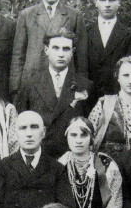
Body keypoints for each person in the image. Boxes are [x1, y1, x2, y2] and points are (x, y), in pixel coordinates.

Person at [10, 0, 88, 97]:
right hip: (32, 82)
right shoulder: (27, 15)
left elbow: (81, 58)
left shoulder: (74, 15)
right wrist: (15, 89)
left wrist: (81, 88)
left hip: (64, 83)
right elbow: (18, 55)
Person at [16, 28, 93, 158]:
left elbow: (88, 125)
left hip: (71, 156)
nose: (61, 54)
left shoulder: (85, 85)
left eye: (66, 49)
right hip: (39, 155)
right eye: (56, 48)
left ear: (73, 52)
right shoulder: (30, 83)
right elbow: (21, 120)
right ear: (46, 50)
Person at [88, 56, 131, 159]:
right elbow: (89, 136)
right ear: (118, 77)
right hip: (109, 167)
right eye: (126, 75)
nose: (130, 81)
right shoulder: (105, 103)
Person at [88, 0, 131, 98]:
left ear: (119, 2)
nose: (107, 4)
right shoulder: (85, 33)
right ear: (95, 2)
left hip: (118, 97)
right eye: (102, 0)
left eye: (111, 0)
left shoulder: (130, 36)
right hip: (89, 98)